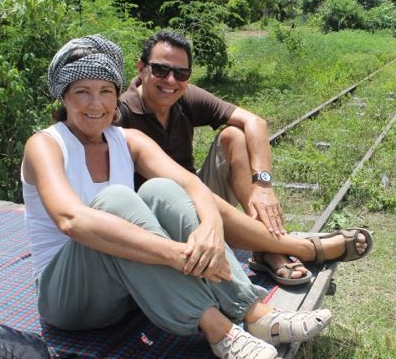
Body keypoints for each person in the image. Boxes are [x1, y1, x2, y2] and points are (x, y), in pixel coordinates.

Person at [22, 35, 373, 359]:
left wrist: (209, 227)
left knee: (163, 188)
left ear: (116, 97)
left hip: (124, 293)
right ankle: (219, 331)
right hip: (68, 297)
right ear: (63, 97)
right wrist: (175, 253)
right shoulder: (46, 145)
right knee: (116, 201)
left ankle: (254, 312)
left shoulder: (126, 140)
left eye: (105, 92)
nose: (95, 104)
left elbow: (191, 184)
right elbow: (72, 220)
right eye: (82, 92)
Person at [118, 31, 311, 285]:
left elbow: (254, 122)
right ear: (141, 68)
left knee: (234, 137)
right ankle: (299, 247)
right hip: (157, 215)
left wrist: (263, 185)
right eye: (160, 70)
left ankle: (268, 248)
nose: (171, 80)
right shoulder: (122, 113)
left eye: (181, 74)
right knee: (164, 190)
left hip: (196, 196)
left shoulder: (184, 96)